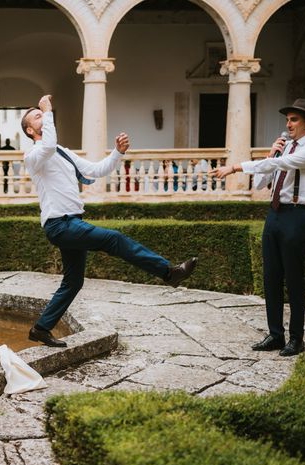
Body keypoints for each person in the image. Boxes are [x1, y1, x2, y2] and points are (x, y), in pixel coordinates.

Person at [22, 94, 198, 347]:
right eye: (37, 116)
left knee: (73, 282)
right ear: (30, 130)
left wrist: (117, 152)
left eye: (42, 114)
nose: (43, 116)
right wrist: (48, 111)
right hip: (60, 225)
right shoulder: (34, 155)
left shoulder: (63, 151)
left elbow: (95, 170)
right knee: (113, 238)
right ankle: (169, 273)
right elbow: (48, 145)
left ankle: (41, 329)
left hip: (72, 222)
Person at [210, 98, 305, 356]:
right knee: (271, 277)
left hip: (298, 215)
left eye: (294, 119)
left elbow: (281, 165)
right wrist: (271, 153)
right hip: (275, 214)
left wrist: (235, 167)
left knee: (294, 278)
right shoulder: (284, 149)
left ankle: (297, 338)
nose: (288, 124)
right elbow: (262, 184)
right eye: (287, 119)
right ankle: (276, 335)